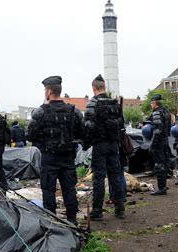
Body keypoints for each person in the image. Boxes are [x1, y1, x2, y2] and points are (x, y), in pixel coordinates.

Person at [27, 76, 84, 225]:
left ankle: (51, 223)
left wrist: (43, 144)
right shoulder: (74, 111)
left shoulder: (40, 112)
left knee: (48, 190)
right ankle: (72, 220)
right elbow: (83, 132)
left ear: (49, 91)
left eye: (45, 90)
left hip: (49, 157)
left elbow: (30, 135)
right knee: (69, 189)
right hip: (67, 157)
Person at [84, 74, 126, 220]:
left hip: (99, 145)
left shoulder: (92, 103)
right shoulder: (115, 103)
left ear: (94, 88)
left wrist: (86, 143)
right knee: (115, 176)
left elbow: (88, 127)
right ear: (104, 87)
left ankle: (97, 212)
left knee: (99, 178)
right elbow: (121, 124)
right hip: (114, 145)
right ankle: (120, 209)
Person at [147, 94, 171, 195]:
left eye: (151, 104)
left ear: (154, 103)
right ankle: (164, 185)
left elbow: (157, 131)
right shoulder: (166, 112)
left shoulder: (156, 113)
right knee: (164, 164)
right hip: (165, 141)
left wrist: (152, 144)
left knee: (159, 164)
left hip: (159, 143)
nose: (151, 106)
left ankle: (161, 188)